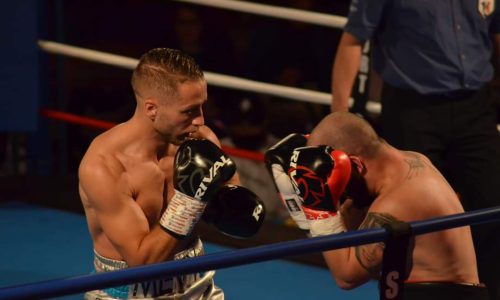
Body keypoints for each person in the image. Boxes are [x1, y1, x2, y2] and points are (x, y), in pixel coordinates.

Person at [331, 2, 500, 298]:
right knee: (408, 219)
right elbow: (353, 39)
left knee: (492, 209)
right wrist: (338, 125)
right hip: (413, 108)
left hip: (477, 106)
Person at [78, 48, 265, 300]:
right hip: (129, 292)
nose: (200, 120)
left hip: (195, 282)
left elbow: (238, 218)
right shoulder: (104, 166)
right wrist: (188, 200)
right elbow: (143, 265)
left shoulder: (201, 140)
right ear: (152, 109)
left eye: (202, 107)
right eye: (189, 111)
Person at [265, 112, 489, 299]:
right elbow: (350, 231)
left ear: (353, 164)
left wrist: (316, 209)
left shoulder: (398, 201)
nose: (342, 192)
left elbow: (346, 276)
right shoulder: (409, 162)